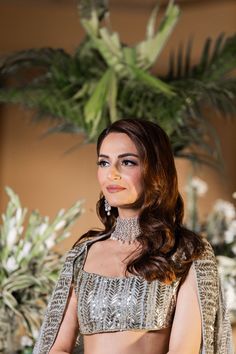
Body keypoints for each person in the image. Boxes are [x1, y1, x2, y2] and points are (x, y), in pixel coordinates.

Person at [33, 118, 234, 354]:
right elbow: (56, 348)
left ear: (156, 170)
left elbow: (183, 351)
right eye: (104, 163)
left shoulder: (187, 252)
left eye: (127, 162)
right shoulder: (82, 255)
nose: (112, 174)